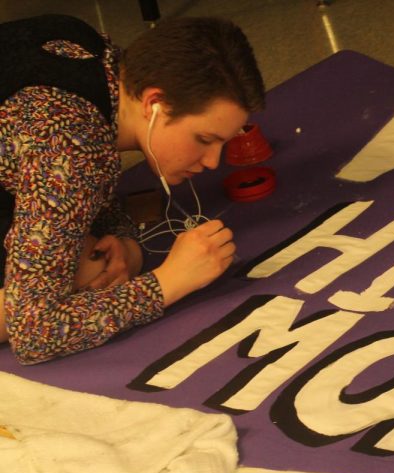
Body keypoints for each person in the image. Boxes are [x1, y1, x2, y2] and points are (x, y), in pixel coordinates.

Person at [0, 14, 265, 364]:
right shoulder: (71, 145)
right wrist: (168, 282)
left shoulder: (90, 52)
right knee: (79, 275)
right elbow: (34, 332)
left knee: (87, 257)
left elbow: (75, 176)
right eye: (203, 139)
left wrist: (124, 241)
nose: (213, 162)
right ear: (154, 103)